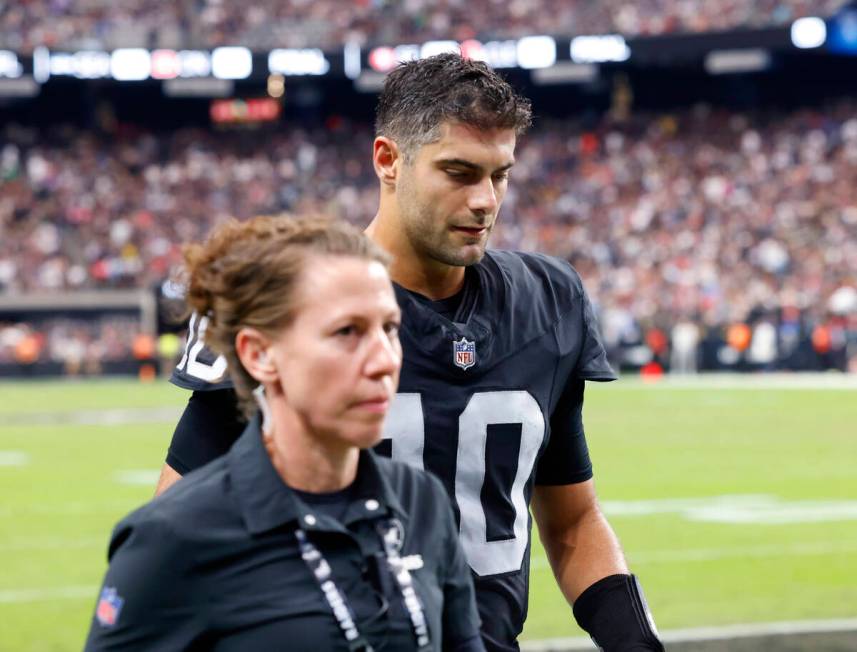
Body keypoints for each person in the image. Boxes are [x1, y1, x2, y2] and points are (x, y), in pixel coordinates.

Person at [159, 54, 664, 652]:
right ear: (388, 160)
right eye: (459, 172)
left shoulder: (547, 302)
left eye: (499, 175)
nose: (485, 201)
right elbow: (178, 533)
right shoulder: (288, 300)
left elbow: (573, 518)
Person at [85, 216, 485, 651]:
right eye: (347, 332)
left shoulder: (421, 502)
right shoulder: (172, 538)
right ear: (259, 355)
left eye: (389, 328)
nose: (385, 360)